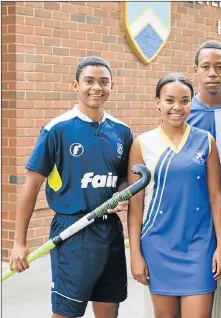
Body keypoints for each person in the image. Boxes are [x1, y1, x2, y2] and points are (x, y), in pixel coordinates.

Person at [9, 56, 133, 318]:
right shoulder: (57, 129)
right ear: (75, 85)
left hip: (109, 229)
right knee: (67, 311)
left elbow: (124, 178)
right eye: (89, 81)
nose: (96, 87)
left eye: (103, 82)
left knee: (109, 307)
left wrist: (122, 193)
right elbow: (30, 188)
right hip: (72, 230)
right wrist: (19, 242)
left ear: (112, 86)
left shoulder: (122, 132)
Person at [127, 73, 221, 318]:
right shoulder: (142, 144)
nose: (177, 107)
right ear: (157, 102)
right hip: (158, 245)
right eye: (169, 100)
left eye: (184, 100)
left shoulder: (206, 141)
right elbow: (136, 205)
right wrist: (135, 254)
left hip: (199, 245)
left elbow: (215, 197)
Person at [187, 39, 221, 317]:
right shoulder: (182, 112)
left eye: (219, 67)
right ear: (195, 70)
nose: (212, 73)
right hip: (196, 211)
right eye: (205, 67)